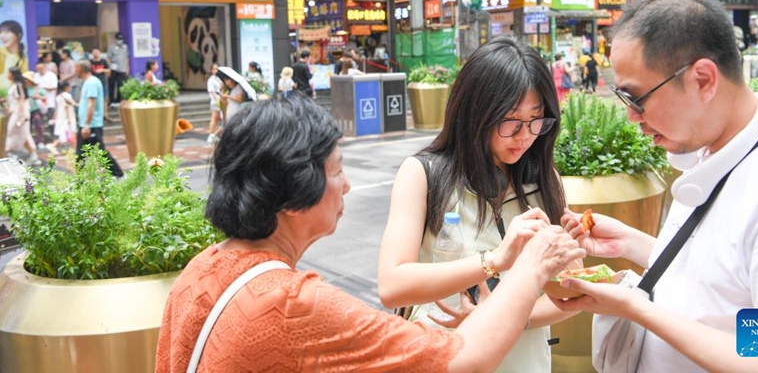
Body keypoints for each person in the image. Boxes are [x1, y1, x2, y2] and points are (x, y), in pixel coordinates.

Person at [154, 97, 585, 372]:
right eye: (337, 171)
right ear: (289, 193)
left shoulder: (203, 267)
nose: (347, 185)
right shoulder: (295, 303)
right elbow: (460, 359)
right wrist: (528, 268)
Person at [553, 0, 758, 372]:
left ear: (703, 80)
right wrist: (634, 244)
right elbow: (725, 284)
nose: (632, 118)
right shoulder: (714, 146)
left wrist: (637, 309)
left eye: (637, 98)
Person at [378, 37, 581, 372]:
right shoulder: (423, 174)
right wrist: (494, 261)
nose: (524, 136)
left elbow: (574, 293)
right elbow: (392, 285)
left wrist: (505, 314)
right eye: (511, 122)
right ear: (475, 112)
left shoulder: (543, 178)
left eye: (536, 120)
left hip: (524, 361)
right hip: (443, 356)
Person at [76, 59, 123, 177]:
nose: (75, 70)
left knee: (100, 152)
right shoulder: (88, 82)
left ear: (80, 69)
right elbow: (88, 104)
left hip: (91, 125)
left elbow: (92, 104)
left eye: (76, 68)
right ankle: (81, 180)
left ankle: (118, 174)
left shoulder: (91, 83)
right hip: (87, 124)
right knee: (82, 154)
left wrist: (86, 125)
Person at [5, 67, 39, 166]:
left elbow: (21, 102)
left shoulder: (18, 86)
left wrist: (20, 117)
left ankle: (7, 155)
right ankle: (33, 156)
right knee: (25, 135)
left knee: (12, 134)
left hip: (19, 115)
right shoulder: (17, 86)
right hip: (18, 114)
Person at [46, 81, 77, 155]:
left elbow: (57, 109)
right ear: (66, 87)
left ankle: (72, 149)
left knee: (64, 134)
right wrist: (69, 119)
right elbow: (67, 107)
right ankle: (72, 149)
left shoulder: (58, 97)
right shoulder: (67, 96)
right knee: (71, 133)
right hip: (67, 117)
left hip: (61, 117)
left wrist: (55, 118)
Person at [23, 71, 46, 151]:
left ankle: (39, 141)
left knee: (38, 124)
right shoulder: (23, 88)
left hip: (35, 109)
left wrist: (38, 97)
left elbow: (44, 97)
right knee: (27, 127)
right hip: (26, 110)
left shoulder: (37, 88)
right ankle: (27, 143)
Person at [107, 32, 129, 108]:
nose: (120, 40)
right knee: (112, 85)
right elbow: (108, 58)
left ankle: (119, 100)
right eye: (118, 39)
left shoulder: (125, 47)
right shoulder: (111, 47)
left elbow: (126, 58)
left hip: (122, 69)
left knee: (121, 85)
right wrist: (109, 68)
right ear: (115, 39)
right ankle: (112, 101)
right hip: (113, 69)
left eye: (121, 39)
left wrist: (127, 68)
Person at [90, 48, 111, 121]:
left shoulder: (103, 61)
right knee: (94, 98)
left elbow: (109, 70)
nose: (95, 53)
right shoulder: (90, 62)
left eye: (97, 52)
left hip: (102, 82)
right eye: (94, 52)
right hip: (93, 83)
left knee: (104, 99)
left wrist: (102, 70)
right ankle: (96, 114)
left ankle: (105, 115)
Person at [206, 64, 223, 144]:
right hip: (215, 101)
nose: (216, 70)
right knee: (215, 117)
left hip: (222, 100)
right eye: (214, 69)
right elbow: (212, 92)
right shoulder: (211, 80)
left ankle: (217, 135)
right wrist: (217, 100)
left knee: (222, 118)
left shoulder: (220, 79)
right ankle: (211, 134)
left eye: (217, 69)